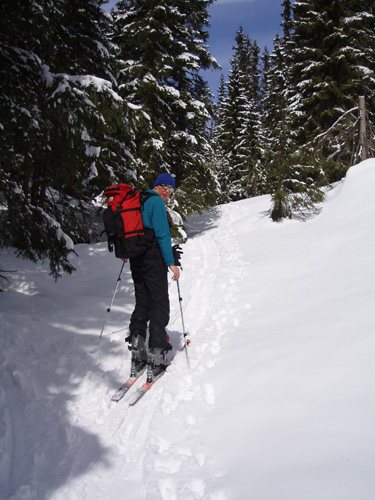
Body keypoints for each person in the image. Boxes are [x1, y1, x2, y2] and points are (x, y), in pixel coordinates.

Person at [127, 173, 180, 378]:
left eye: (171, 189)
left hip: (136, 259)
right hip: (152, 259)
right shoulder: (156, 202)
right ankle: (157, 356)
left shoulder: (139, 200)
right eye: (164, 186)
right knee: (159, 303)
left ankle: (138, 350)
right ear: (156, 186)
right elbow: (162, 234)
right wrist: (171, 263)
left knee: (142, 302)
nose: (167, 191)